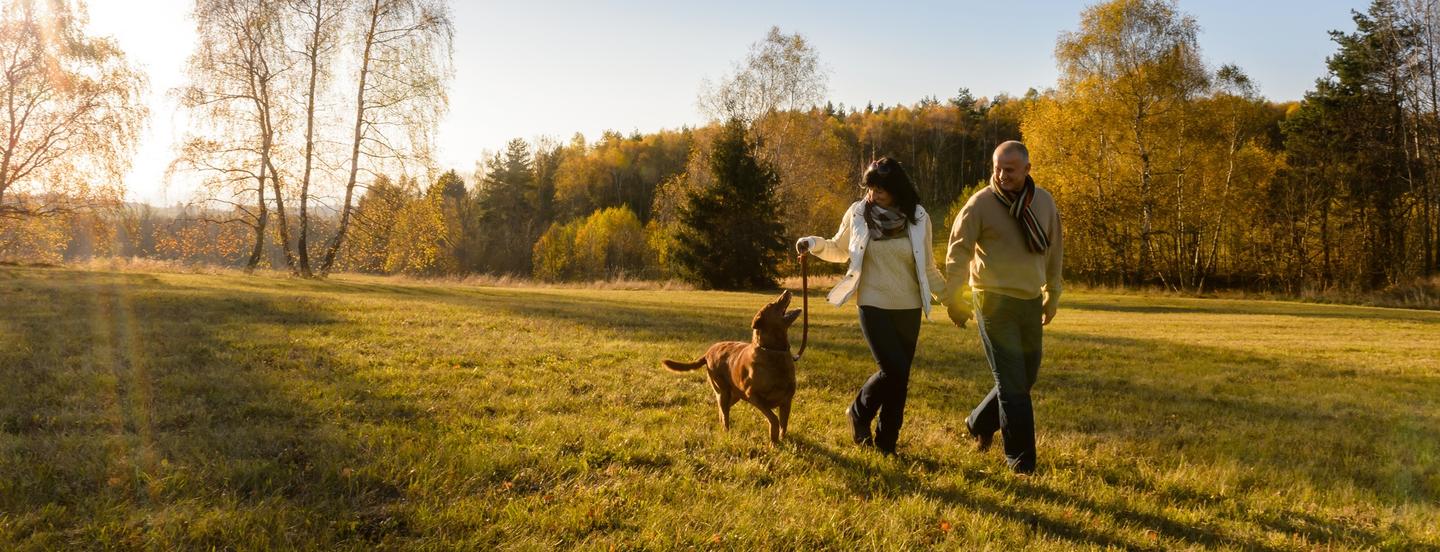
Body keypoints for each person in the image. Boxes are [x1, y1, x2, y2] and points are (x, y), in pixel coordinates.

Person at [795, 157, 947, 455]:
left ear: (897, 189)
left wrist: (951, 300)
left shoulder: (918, 217)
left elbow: (928, 267)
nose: (873, 194)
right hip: (872, 302)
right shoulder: (858, 213)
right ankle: (859, 412)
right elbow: (839, 248)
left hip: (909, 307)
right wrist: (812, 244)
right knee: (893, 369)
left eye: (881, 189)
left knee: (900, 378)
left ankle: (887, 443)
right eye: (870, 187)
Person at [944, 140, 1064, 474]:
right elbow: (958, 253)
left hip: (1028, 299)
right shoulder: (980, 203)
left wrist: (1052, 293)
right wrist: (953, 298)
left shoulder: (1043, 202)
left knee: (1024, 379)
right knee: (1012, 385)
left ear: (1027, 169)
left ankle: (978, 422)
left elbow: (1054, 251)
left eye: (1009, 170)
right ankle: (1021, 462)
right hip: (992, 300)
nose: (1001, 175)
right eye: (997, 168)